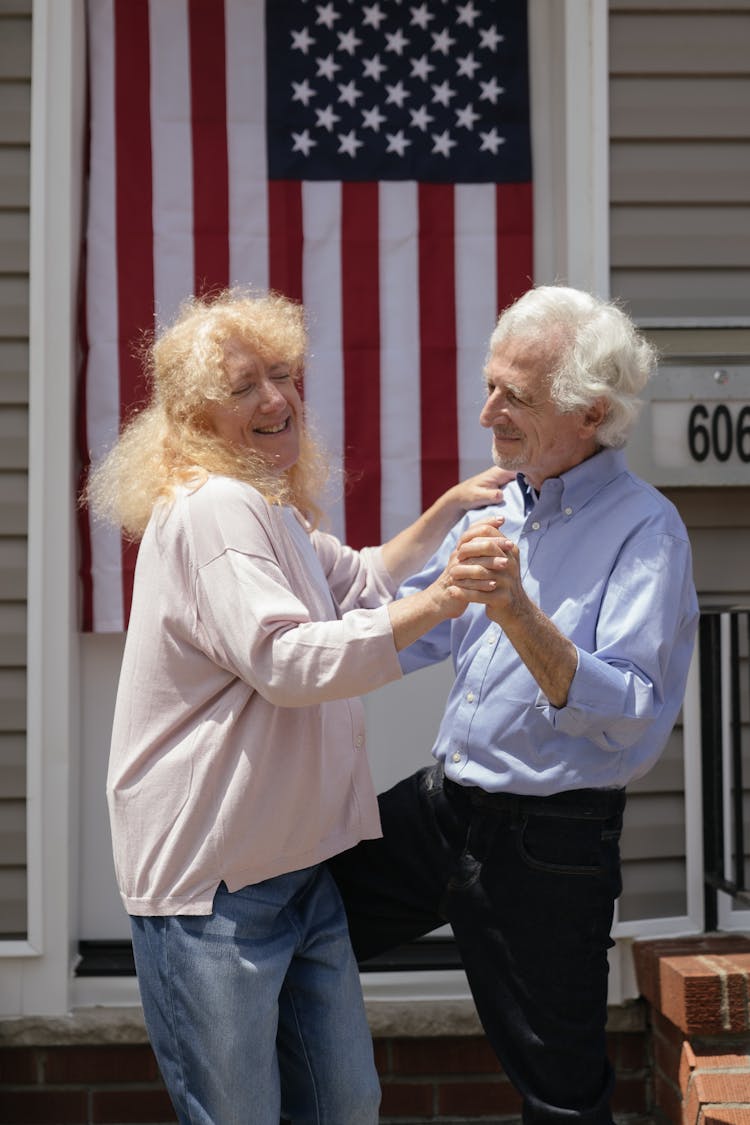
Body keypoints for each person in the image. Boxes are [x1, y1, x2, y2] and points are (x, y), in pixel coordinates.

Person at [85, 287, 509, 1125]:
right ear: (196, 412)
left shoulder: (265, 505)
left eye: (281, 373)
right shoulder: (215, 510)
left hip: (294, 872)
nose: (276, 399)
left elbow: (355, 577)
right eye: (244, 386)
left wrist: (447, 512)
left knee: (343, 1103)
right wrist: (442, 603)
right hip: (214, 890)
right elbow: (284, 660)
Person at [329, 285, 700, 1124]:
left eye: (516, 396)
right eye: (490, 383)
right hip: (442, 808)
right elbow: (413, 629)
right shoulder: (505, 499)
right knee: (289, 926)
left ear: (591, 411)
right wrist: (280, 637)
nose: (488, 410)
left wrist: (518, 611)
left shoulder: (648, 531)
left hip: (551, 843)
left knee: (562, 1096)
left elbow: (629, 708)